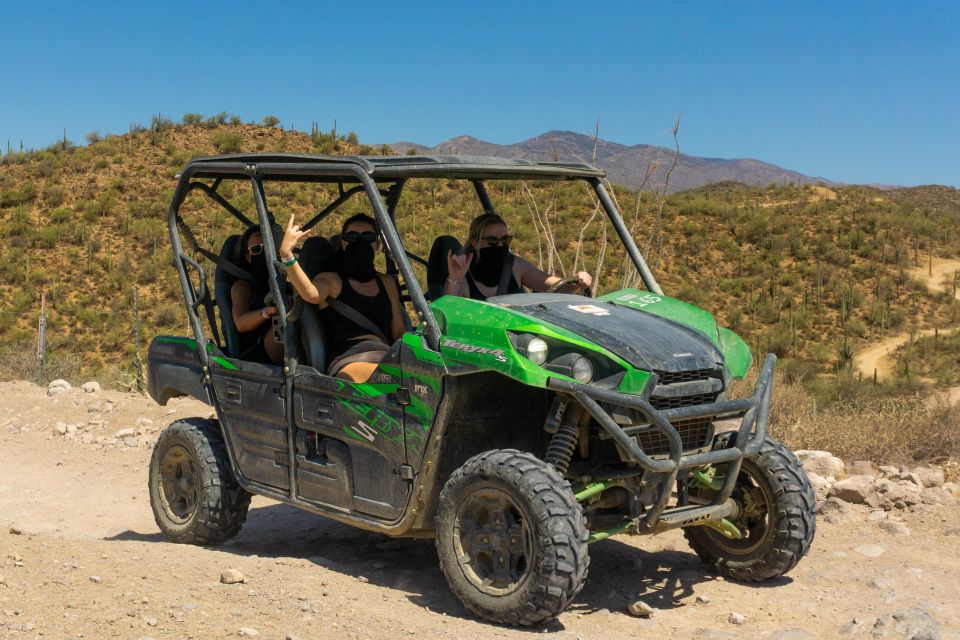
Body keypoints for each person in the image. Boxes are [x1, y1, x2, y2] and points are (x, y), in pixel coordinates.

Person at [280, 212, 405, 383]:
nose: (359, 242)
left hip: (388, 357)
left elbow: (399, 331)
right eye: (352, 237)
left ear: (377, 244)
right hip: (351, 359)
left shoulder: (386, 282)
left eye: (367, 236)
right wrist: (287, 255)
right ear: (344, 242)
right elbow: (311, 293)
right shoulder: (331, 280)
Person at [443, 213, 592, 299]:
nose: (500, 246)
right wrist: (455, 278)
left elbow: (558, 288)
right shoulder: (463, 274)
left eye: (505, 240)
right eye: (493, 241)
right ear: (475, 243)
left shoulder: (514, 266)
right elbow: (447, 313)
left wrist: (578, 281)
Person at [230, 225, 283, 364]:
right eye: (257, 249)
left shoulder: (287, 277)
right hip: (260, 349)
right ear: (248, 257)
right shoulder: (242, 287)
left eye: (269, 248)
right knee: (286, 320)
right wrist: (268, 312)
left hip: (297, 341)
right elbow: (240, 323)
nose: (265, 253)